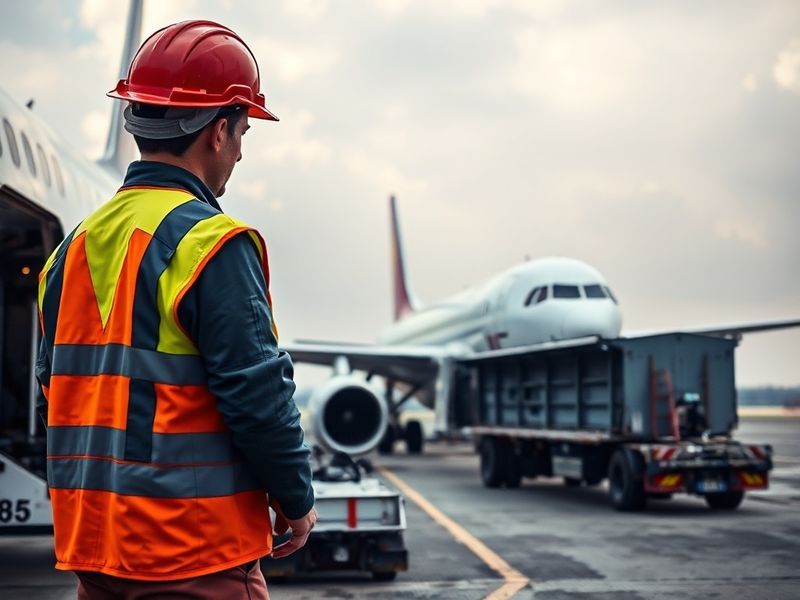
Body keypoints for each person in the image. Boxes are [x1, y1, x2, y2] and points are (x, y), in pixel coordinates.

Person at [35, 20, 315, 599]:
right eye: (243, 133)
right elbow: (257, 394)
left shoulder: (71, 250)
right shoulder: (210, 244)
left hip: (96, 553)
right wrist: (296, 499)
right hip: (193, 555)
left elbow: (56, 387)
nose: (239, 152)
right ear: (218, 131)